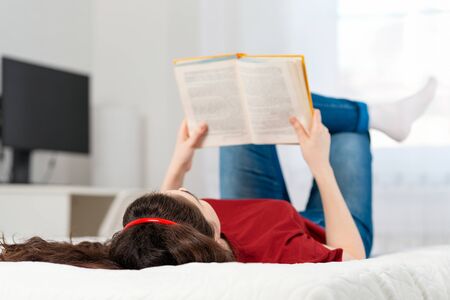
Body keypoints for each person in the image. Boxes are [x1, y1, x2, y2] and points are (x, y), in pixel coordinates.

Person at [0, 78, 437, 269]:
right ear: (211, 231)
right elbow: (353, 261)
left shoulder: (154, 241)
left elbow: (156, 222)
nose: (204, 197)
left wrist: (180, 160)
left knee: (248, 105)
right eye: (200, 201)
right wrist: (318, 166)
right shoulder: (277, 252)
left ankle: (374, 114)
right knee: (345, 138)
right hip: (331, 233)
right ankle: (376, 116)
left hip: (268, 210)